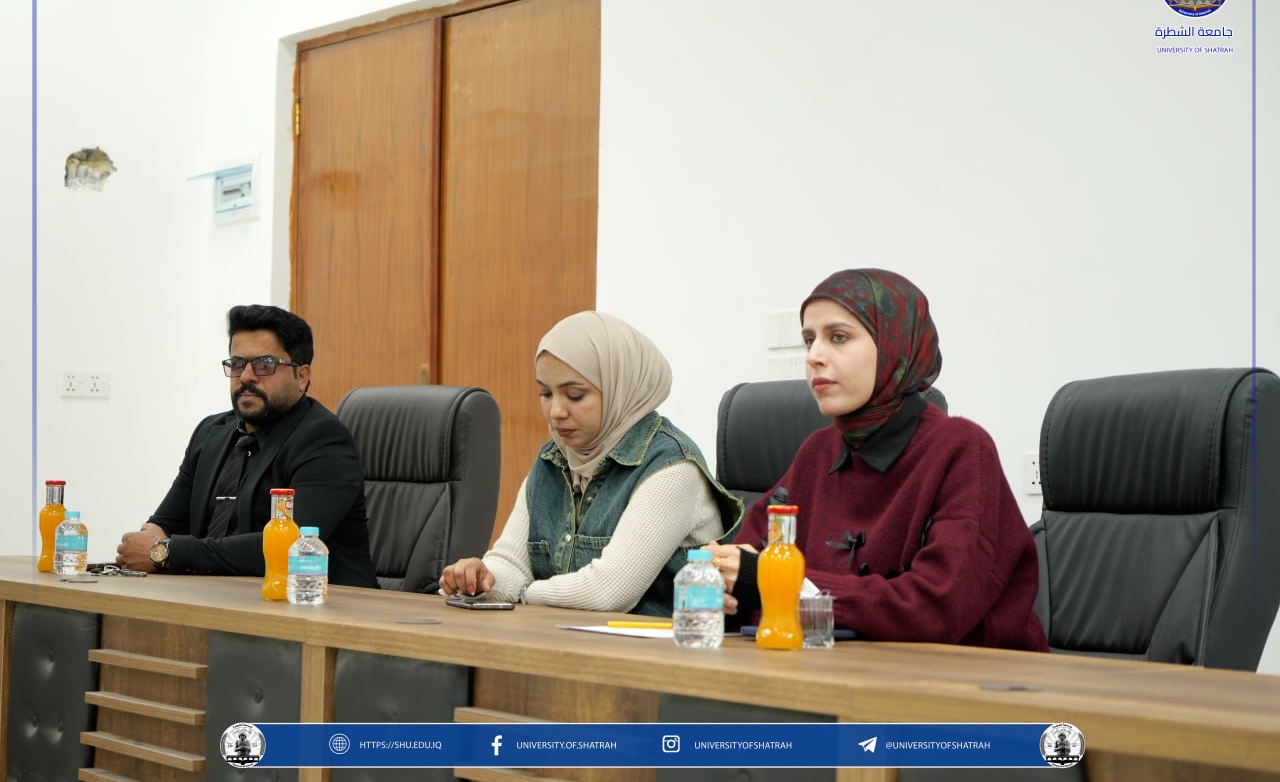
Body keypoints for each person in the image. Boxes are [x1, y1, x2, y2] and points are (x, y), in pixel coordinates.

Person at [708, 269, 1047, 650]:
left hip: (968, 678)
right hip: (834, 668)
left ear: (895, 345)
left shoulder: (962, 449)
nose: (815, 357)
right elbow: (746, 564)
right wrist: (723, 582)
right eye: (809, 340)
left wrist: (775, 583)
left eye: (838, 337)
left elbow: (938, 606)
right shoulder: (817, 452)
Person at [440, 311, 743, 616]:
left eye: (574, 395)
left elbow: (609, 591)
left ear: (620, 388)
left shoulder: (672, 467)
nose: (556, 411)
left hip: (670, 643)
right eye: (545, 393)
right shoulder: (553, 458)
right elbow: (513, 564)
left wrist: (523, 593)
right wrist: (481, 579)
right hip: (566, 638)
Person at [115, 304, 378, 587]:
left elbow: (291, 547)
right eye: (237, 364)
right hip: (217, 596)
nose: (247, 376)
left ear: (301, 376)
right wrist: (152, 542)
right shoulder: (211, 432)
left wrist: (167, 553)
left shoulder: (324, 440)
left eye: (265, 365)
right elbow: (165, 524)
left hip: (315, 601)